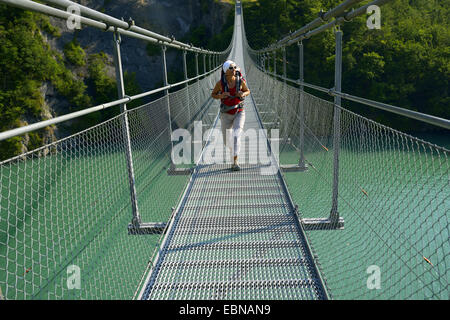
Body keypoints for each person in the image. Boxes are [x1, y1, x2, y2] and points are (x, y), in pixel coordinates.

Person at [211, 60, 250, 171]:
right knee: (227, 141)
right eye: (231, 68)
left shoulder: (240, 81)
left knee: (236, 136)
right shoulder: (220, 84)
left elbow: (248, 91)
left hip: (239, 111)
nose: (234, 70)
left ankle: (234, 162)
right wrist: (221, 95)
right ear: (226, 71)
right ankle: (232, 151)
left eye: (235, 67)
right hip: (226, 114)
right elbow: (213, 94)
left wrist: (242, 93)